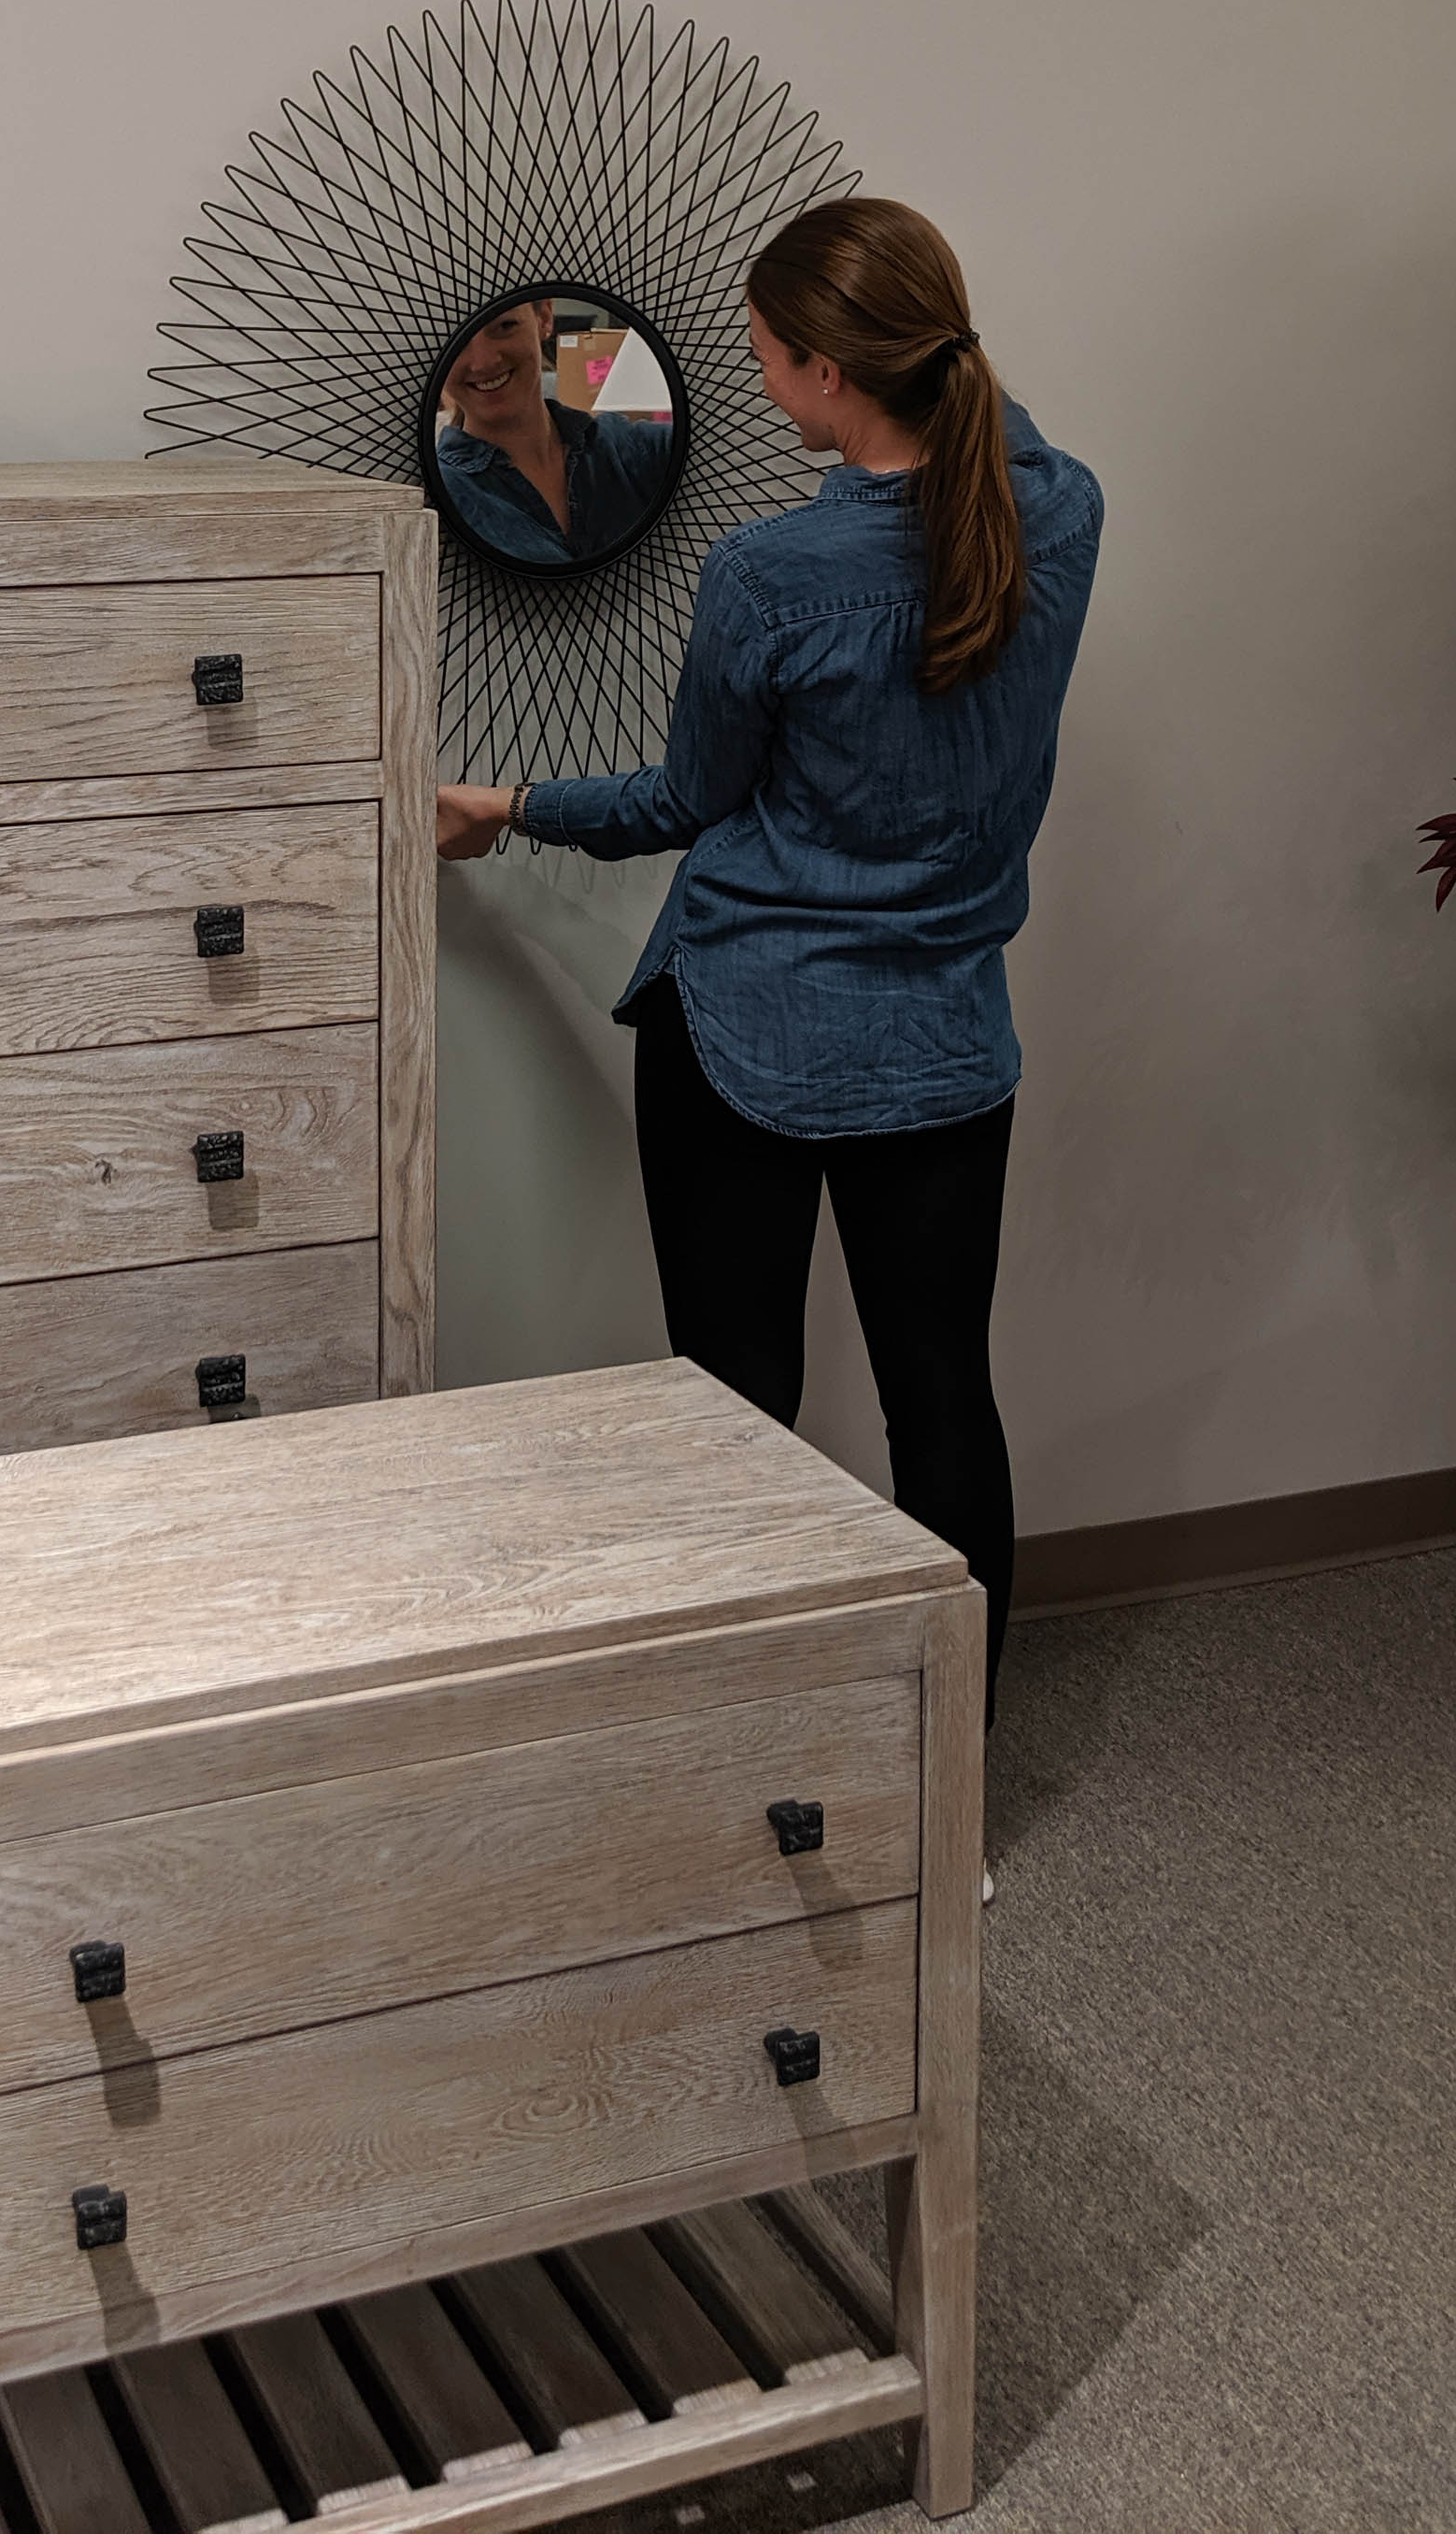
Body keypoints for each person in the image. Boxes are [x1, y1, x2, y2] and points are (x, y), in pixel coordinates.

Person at [435, 199, 1102, 1758]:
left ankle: (749, 1760)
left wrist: (507, 804)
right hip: (944, 1036)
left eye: (764, 364)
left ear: (822, 373)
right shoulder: (1059, 512)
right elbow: (1007, 444)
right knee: (942, 1397)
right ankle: (942, 1793)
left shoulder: (771, 572)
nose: (760, 390)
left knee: (733, 1401)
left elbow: (682, 799)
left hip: (746, 1026)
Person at [434, 297, 678, 565]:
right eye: (457, 338)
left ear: (545, 318)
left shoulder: (630, 451)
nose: (483, 362)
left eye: (505, 326)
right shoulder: (435, 501)